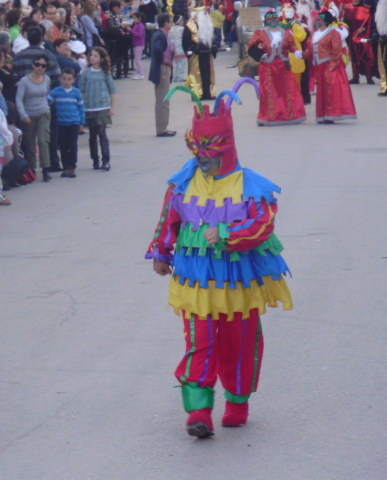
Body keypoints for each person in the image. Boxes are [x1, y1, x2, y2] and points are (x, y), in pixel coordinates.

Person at [145, 80, 293, 438]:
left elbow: (263, 225)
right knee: (199, 342)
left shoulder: (250, 185)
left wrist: (228, 235)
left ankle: (238, 402)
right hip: (194, 281)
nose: (203, 159)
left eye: (209, 151)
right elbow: (168, 218)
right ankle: (198, 411)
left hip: (239, 283)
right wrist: (162, 251)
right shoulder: (184, 182)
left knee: (238, 343)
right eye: (198, 150)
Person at [247, 9, 307, 126]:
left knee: (288, 91)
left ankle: (289, 115)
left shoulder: (285, 32)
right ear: (266, 20)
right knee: (269, 92)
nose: (273, 20)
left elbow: (292, 45)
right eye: (270, 18)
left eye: (275, 18)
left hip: (283, 66)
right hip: (268, 67)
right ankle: (271, 116)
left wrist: (296, 51)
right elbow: (251, 47)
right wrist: (261, 54)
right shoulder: (261, 33)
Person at [312, 8, 358, 122]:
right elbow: (310, 49)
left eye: (320, 19)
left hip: (330, 66)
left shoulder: (334, 33)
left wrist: (331, 68)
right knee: (321, 92)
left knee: (331, 91)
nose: (317, 21)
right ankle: (322, 115)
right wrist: (301, 54)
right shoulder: (315, 34)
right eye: (317, 19)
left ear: (325, 21)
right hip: (319, 67)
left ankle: (330, 115)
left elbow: (336, 52)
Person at [15, 52, 53, 181]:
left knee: (43, 140)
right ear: (33, 65)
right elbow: (19, 99)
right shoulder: (25, 81)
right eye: (37, 64)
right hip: (29, 115)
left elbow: (46, 94)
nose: (40, 67)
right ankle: (32, 169)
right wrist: (23, 115)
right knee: (30, 143)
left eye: (43, 66)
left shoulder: (47, 79)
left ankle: (46, 169)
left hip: (44, 112)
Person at [79, 46, 117, 171]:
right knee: (92, 135)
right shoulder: (85, 73)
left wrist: (112, 107)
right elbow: (81, 91)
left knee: (102, 132)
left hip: (103, 106)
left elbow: (112, 90)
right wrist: (81, 108)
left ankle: (106, 160)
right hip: (89, 107)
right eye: (91, 55)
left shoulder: (105, 73)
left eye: (96, 56)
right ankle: (95, 159)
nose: (92, 58)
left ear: (101, 59)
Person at [48, 67, 86, 178]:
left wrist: (81, 123)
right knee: (63, 146)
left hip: (74, 122)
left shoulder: (76, 92)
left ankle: (72, 167)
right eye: (64, 79)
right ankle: (65, 167)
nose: (66, 81)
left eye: (69, 79)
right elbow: (47, 101)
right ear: (60, 79)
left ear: (73, 80)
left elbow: (81, 108)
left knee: (72, 146)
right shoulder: (56, 92)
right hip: (61, 123)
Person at [183, 3, 218, 100]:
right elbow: (185, 42)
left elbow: (214, 38)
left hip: (207, 53)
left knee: (208, 74)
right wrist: (191, 50)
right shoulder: (190, 26)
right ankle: (198, 94)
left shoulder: (208, 24)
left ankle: (208, 93)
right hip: (196, 55)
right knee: (197, 75)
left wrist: (214, 46)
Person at [150, 13, 177, 138]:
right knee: (163, 99)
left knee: (163, 98)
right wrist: (162, 61)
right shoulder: (160, 35)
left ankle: (163, 127)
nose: (171, 24)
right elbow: (158, 50)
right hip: (163, 68)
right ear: (166, 23)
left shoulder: (162, 34)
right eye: (170, 22)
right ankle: (162, 128)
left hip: (165, 67)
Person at [280, 2, 312, 104]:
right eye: (287, 11)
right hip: (284, 57)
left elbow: (302, 37)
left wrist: (295, 26)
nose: (289, 14)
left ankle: (298, 100)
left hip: (296, 57)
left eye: (291, 12)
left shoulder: (297, 25)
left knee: (298, 81)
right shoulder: (280, 26)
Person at [343, 0, 375, 85]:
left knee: (366, 56)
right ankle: (355, 77)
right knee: (354, 57)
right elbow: (345, 24)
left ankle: (369, 77)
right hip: (352, 37)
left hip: (363, 37)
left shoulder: (367, 9)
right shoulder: (348, 8)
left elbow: (370, 24)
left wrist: (364, 29)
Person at [126, 11, 146, 79]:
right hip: (137, 44)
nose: (133, 20)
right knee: (137, 59)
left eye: (134, 18)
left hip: (139, 44)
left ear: (139, 18)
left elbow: (139, 35)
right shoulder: (137, 25)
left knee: (138, 60)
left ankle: (141, 74)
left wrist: (130, 30)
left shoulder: (140, 26)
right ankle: (139, 73)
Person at [170, 15, 188, 82]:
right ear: (180, 21)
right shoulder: (182, 29)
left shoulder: (171, 29)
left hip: (173, 48)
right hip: (181, 47)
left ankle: (175, 77)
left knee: (175, 63)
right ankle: (181, 77)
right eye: (182, 21)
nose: (183, 22)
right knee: (182, 63)